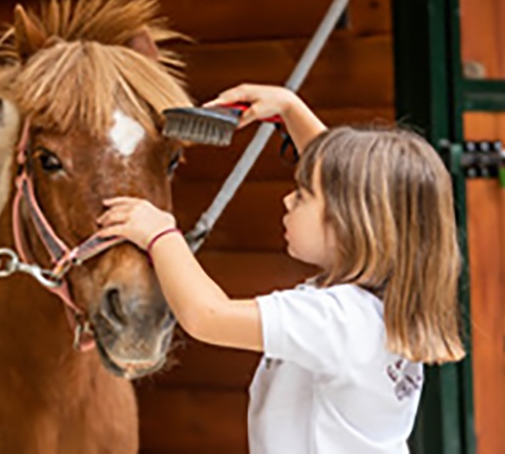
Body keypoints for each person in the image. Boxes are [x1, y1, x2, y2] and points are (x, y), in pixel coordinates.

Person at [96, 83, 465, 454]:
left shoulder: (334, 320)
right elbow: (350, 184)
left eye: (303, 194)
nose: (288, 200)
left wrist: (160, 234)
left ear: (350, 222)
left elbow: (208, 316)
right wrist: (290, 109)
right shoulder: (383, 306)